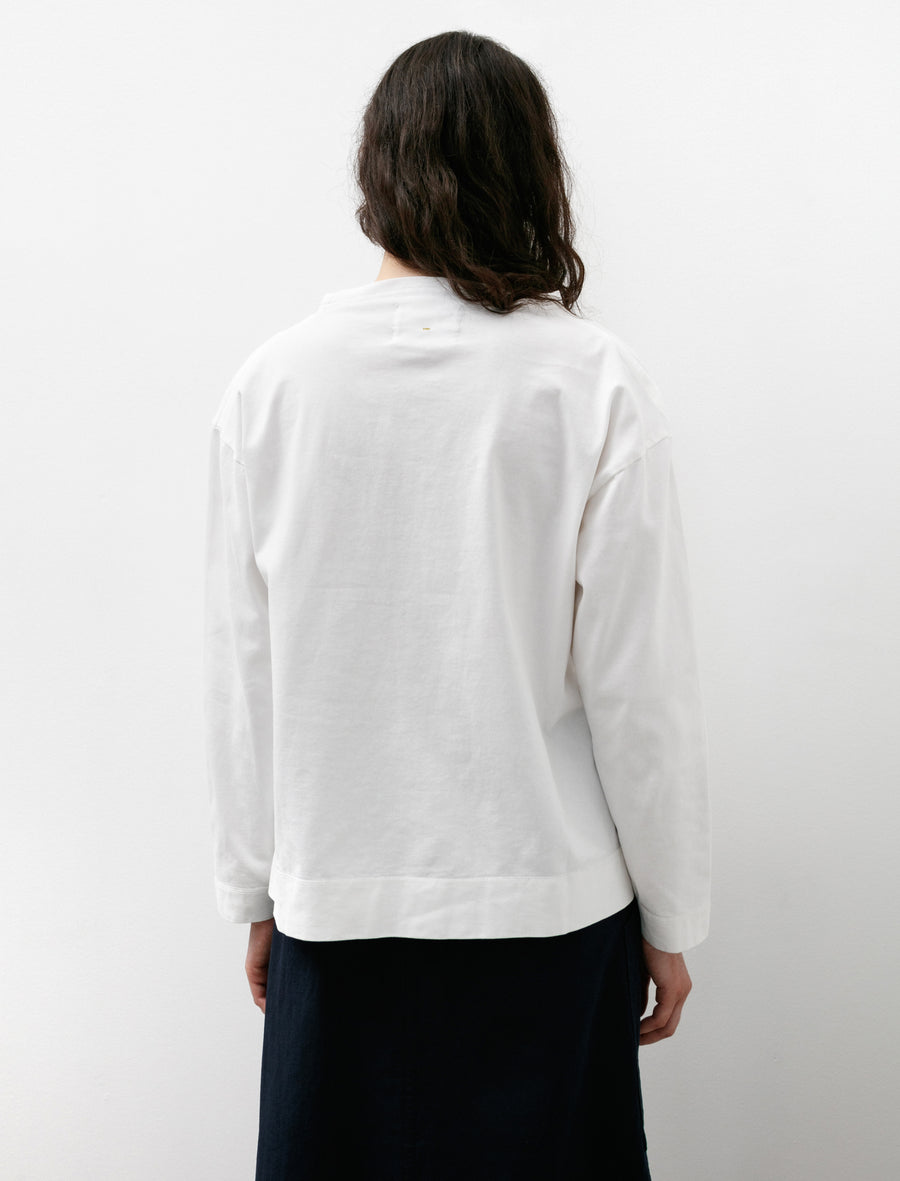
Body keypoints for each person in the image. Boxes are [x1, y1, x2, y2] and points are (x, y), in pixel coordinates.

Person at [202, 29, 711, 1181]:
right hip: (548, 913)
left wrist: (253, 885)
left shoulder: (272, 386)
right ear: (531, 173)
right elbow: (642, 688)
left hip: (339, 910)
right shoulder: (592, 380)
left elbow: (242, 672)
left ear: (375, 165)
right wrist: (672, 917)